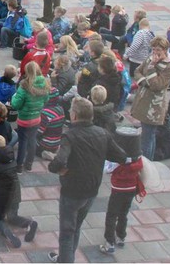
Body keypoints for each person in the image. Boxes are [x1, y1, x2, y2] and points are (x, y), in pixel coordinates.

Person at [47, 97, 126, 263]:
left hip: (72, 191)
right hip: (92, 189)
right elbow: (121, 156)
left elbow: (59, 160)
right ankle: (66, 257)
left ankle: (65, 260)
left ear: (74, 115)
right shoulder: (102, 133)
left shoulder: (70, 135)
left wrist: (55, 168)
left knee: (67, 232)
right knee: (76, 227)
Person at [0, 135, 39, 248]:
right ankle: (29, 223)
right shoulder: (10, 156)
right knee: (12, 217)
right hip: (15, 193)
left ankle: (9, 233)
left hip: (1, 197)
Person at [131, 37, 170, 160]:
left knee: (147, 137)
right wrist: (145, 82)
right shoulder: (151, 57)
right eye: (153, 49)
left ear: (165, 50)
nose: (155, 53)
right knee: (148, 135)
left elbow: (157, 85)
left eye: (158, 50)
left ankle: (146, 161)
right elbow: (137, 71)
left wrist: (151, 68)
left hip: (153, 107)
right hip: (143, 99)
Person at [99, 132, 144, 255]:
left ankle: (109, 242)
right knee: (123, 213)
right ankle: (121, 237)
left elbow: (106, 169)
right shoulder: (138, 159)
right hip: (131, 189)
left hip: (118, 189)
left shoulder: (118, 161)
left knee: (111, 215)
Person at [11, 62, 50, 173]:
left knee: (23, 141)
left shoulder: (24, 85)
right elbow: (46, 99)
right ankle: (29, 165)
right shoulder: (45, 83)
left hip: (24, 118)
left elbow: (15, 104)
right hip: (36, 117)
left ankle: (19, 166)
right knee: (32, 140)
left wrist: (13, 97)